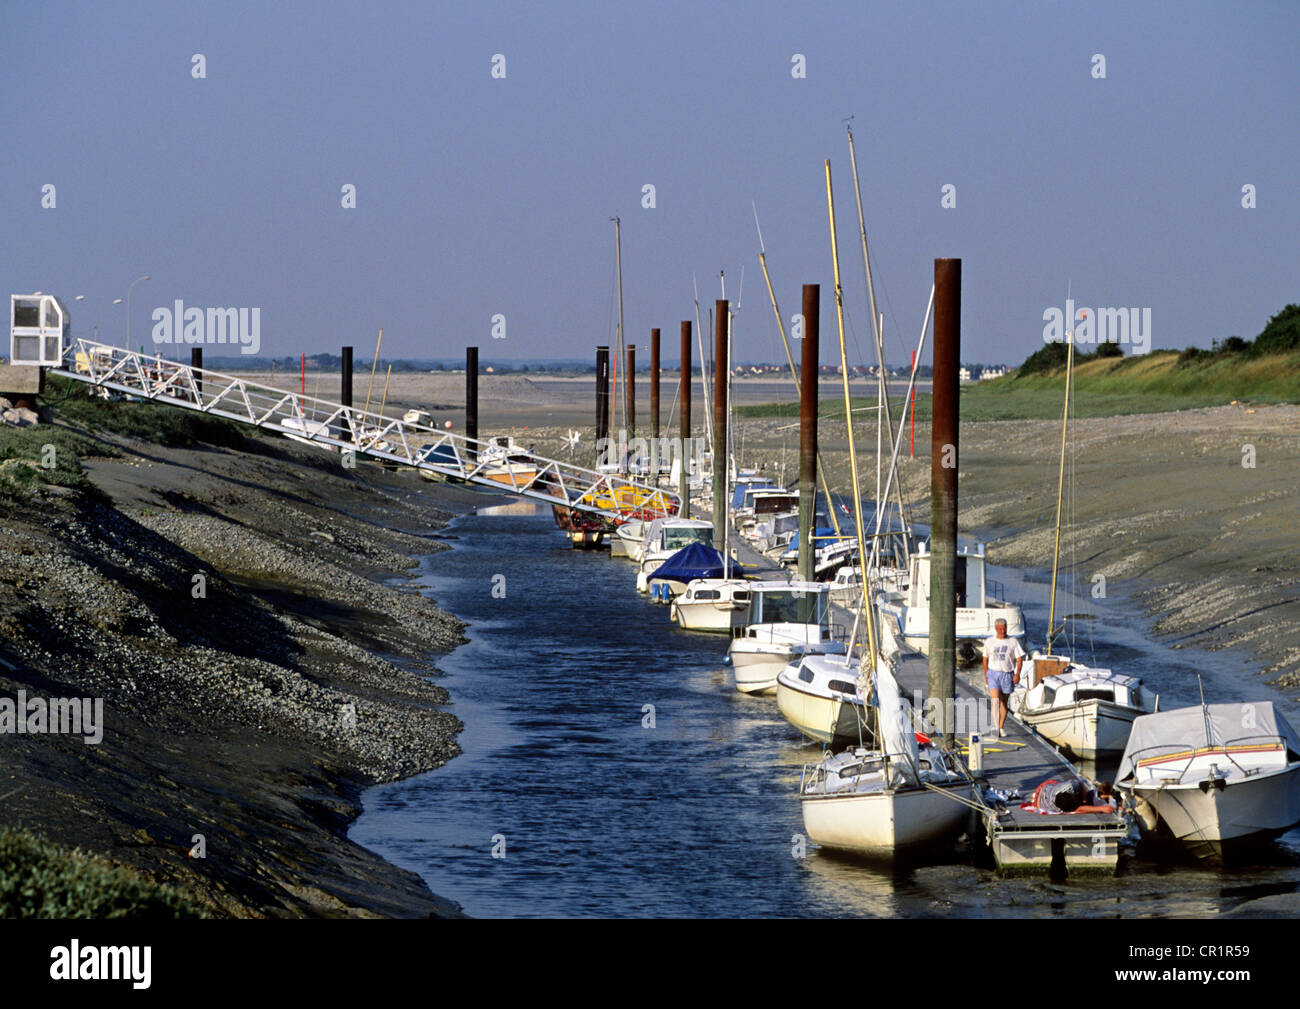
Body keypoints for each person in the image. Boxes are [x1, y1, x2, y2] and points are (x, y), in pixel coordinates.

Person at [982, 618, 1025, 737]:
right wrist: (986, 674)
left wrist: (1017, 674)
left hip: (1007, 674)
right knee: (995, 701)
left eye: (1004, 628)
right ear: (996, 629)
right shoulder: (989, 641)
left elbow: (1019, 659)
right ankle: (996, 728)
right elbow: (985, 659)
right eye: (1000, 628)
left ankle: (1000, 727)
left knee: (1003, 703)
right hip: (993, 673)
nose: (1002, 630)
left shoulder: (1013, 641)